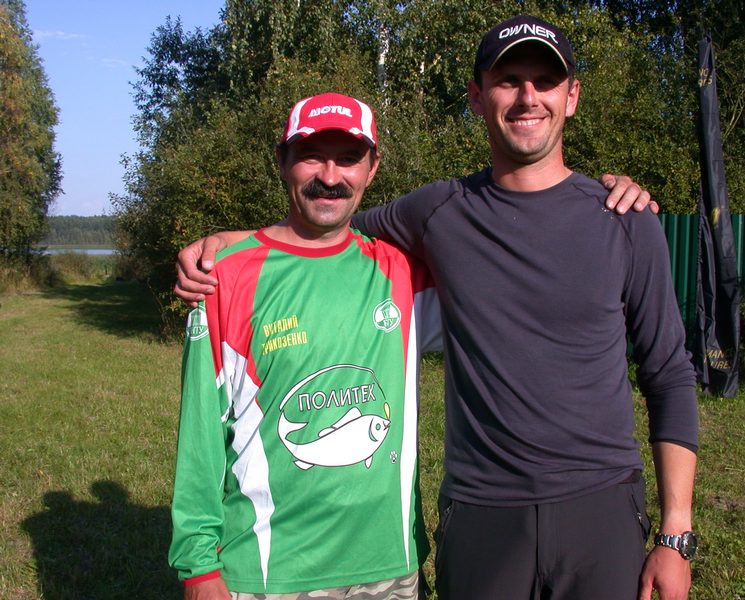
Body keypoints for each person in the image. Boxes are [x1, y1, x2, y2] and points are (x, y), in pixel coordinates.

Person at [174, 15, 699, 600]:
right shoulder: (439, 212)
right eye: (508, 80)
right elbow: (327, 225)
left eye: (546, 81)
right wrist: (231, 243)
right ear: (477, 96)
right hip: (481, 511)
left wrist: (675, 534)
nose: (528, 97)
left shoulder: (626, 220)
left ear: (571, 96)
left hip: (600, 507)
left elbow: (669, 374)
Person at [168, 92, 442, 600]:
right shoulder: (226, 277)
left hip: (391, 567)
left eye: (349, 158)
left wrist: (602, 210)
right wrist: (198, 567)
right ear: (282, 161)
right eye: (312, 156)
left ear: (372, 168)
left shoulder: (403, 272)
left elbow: (513, 282)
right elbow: (200, 436)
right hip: (272, 574)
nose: (330, 176)